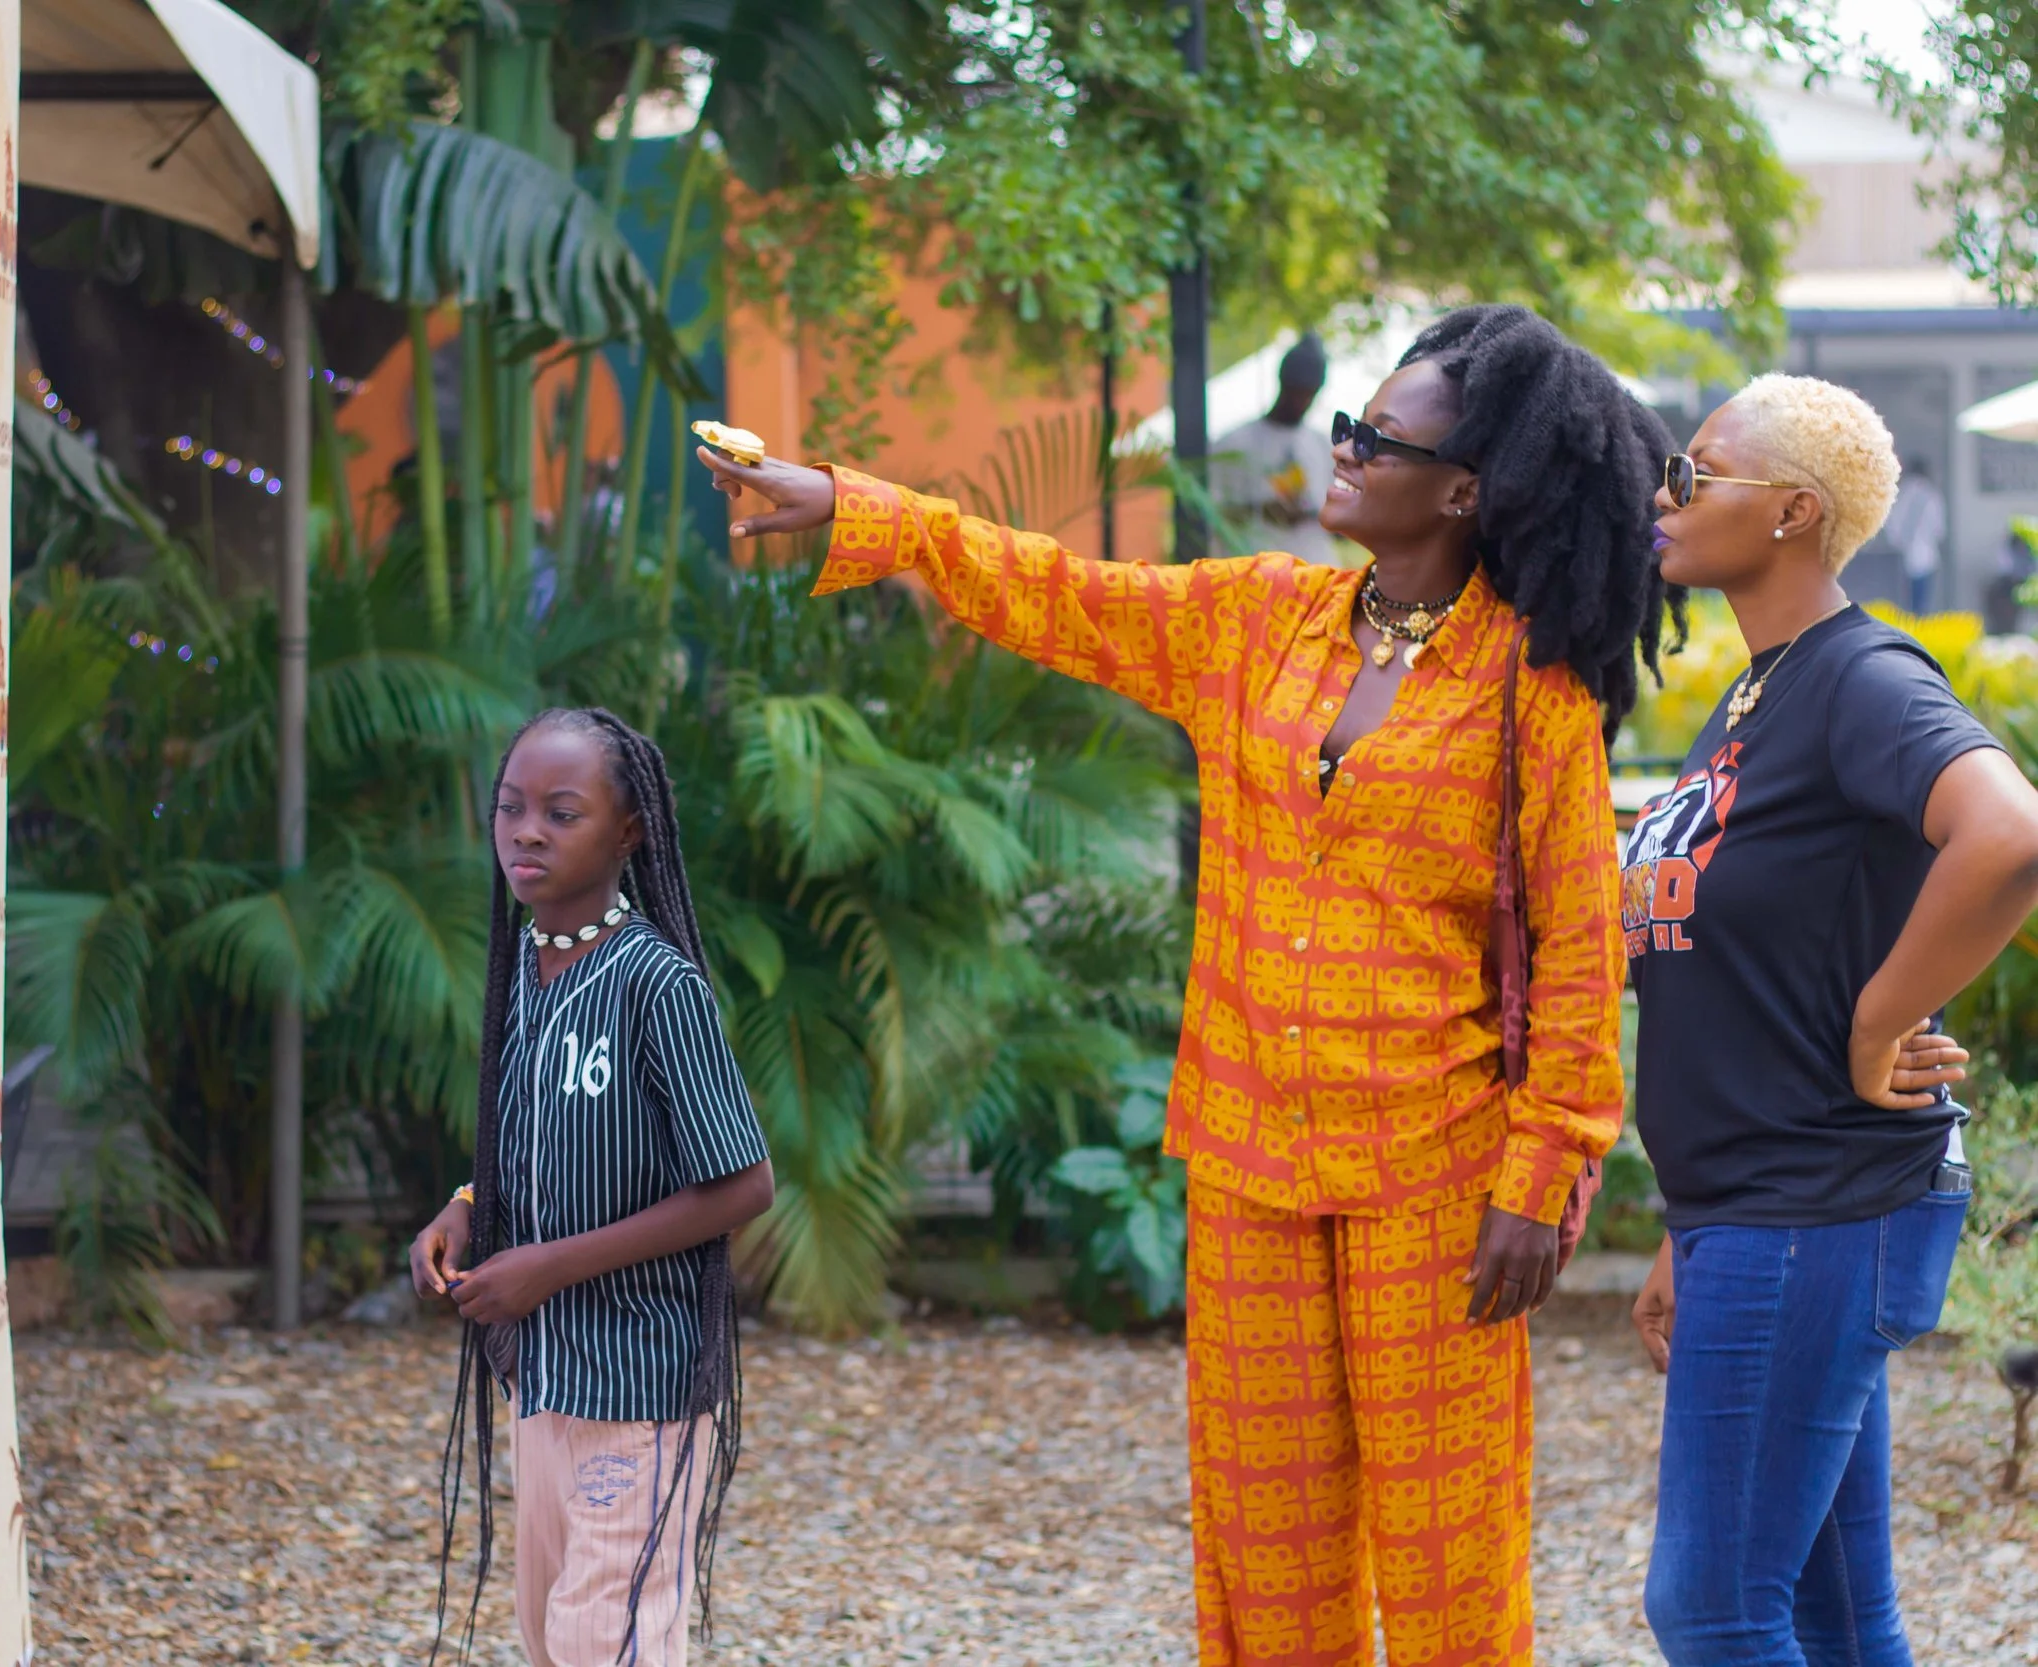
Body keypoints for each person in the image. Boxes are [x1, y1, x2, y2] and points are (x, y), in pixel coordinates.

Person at [705, 304, 1676, 1666]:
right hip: (1246, 1158)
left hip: (1435, 1182)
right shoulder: (1257, 621)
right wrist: (863, 511)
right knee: (1265, 1551)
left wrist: (1547, 1169)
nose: (1336, 450)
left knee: (1450, 1563)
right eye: (1345, 420)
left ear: (1468, 489)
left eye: (1374, 436)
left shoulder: (1535, 693)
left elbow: (1580, 954)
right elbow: (1048, 590)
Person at [1624, 375, 2038, 1664]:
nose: (1663, 497)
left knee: (1711, 1605)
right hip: (1762, 1203)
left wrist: (1880, 1022)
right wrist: (1688, 1220)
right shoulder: (1759, 692)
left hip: (1818, 1199)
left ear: (1793, 511)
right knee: (1832, 1613)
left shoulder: (1857, 677)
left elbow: (2008, 833)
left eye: (1695, 475)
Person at [411, 707, 775, 1667]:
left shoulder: (657, 984)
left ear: (629, 831)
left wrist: (546, 1268)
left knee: (601, 1640)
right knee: (549, 1634)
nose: (525, 831)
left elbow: (744, 1183)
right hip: (545, 1375)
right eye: (510, 807)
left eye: (561, 812)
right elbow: (532, 1137)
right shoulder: (527, 970)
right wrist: (463, 1208)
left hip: (640, 1379)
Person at [1211, 332, 1344, 564]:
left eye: (1309, 394)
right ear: (1283, 383)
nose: (1301, 401)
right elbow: (1212, 513)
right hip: (1255, 577)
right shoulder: (1234, 443)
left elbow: (1339, 520)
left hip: (1315, 573)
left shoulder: (1323, 445)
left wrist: (1311, 515)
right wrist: (1262, 510)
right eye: (1296, 391)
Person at [1885, 455, 1946, 616]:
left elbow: (1891, 525)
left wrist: (1900, 542)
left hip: (1902, 556)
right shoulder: (1932, 494)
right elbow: (1939, 529)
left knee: (1903, 604)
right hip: (1927, 556)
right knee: (1922, 604)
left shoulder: (1900, 494)